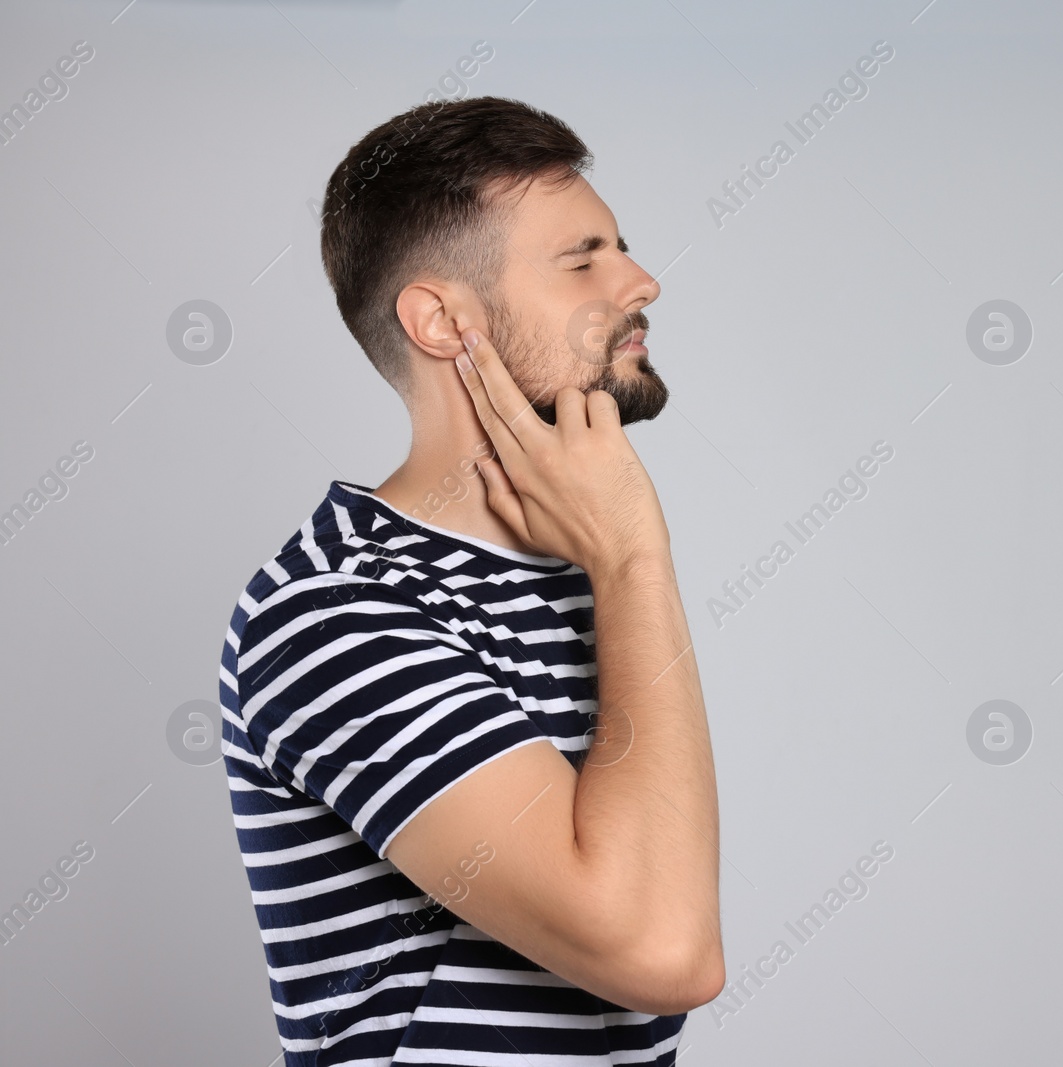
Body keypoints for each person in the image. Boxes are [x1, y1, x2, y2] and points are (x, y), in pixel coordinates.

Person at [217, 96, 723, 1066]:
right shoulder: (331, 612)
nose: (642, 280)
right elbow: (662, 951)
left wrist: (615, 567)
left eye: (622, 246)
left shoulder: (582, 584)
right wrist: (631, 557)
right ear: (443, 319)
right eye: (583, 259)